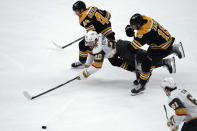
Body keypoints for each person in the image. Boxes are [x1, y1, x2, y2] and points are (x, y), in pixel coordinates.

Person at [77, 31, 175, 84]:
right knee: (115, 62)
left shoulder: (99, 48)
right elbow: (91, 53)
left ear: (95, 40)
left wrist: (86, 73)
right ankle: (136, 70)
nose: (89, 44)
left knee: (144, 61)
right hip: (117, 49)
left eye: (90, 42)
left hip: (123, 49)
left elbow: (97, 66)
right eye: (88, 42)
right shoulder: (97, 38)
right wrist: (87, 66)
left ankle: (166, 60)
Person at [125, 13, 185, 95]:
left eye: (135, 26)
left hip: (161, 48)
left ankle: (142, 85)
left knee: (146, 65)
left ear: (139, 24)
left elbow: (133, 47)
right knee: (149, 62)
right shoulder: (146, 19)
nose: (134, 28)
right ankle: (173, 48)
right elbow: (140, 31)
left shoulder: (145, 32)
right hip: (162, 42)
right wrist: (132, 28)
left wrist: (131, 34)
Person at [71, 1, 115, 68]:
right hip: (110, 34)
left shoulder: (83, 18)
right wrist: (100, 25)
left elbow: (92, 33)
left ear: (81, 9)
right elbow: (108, 15)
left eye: (76, 11)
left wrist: (92, 33)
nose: (76, 13)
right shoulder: (92, 8)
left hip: (103, 37)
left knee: (83, 44)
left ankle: (84, 62)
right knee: (114, 56)